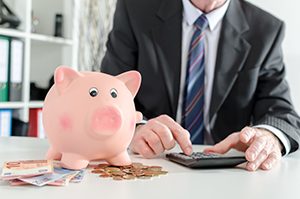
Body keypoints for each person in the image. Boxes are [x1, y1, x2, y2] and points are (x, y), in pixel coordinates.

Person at [101, 0, 300, 171]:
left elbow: (282, 113)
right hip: (152, 163)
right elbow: (107, 94)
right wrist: (134, 128)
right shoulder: (135, 10)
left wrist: (268, 136)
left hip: (226, 172)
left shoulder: (265, 30)